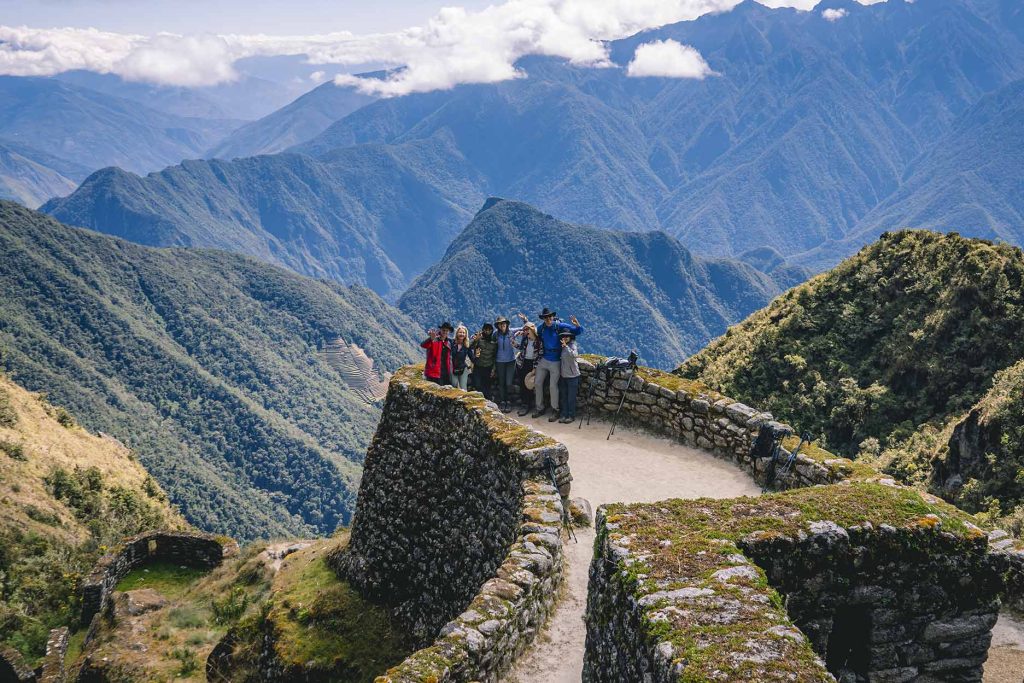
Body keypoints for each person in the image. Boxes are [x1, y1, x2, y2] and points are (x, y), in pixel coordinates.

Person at [527, 307, 583, 422]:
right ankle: (540, 408)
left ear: (552, 317)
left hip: (556, 360)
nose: (548, 319)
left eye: (549, 317)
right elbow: (533, 335)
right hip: (544, 359)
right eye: (546, 317)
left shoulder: (559, 326)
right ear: (543, 318)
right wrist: (524, 326)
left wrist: (577, 325)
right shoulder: (541, 328)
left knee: (553, 386)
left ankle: (555, 410)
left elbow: (577, 332)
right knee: (537, 383)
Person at [514, 322, 541, 417]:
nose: (525, 332)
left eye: (527, 330)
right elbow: (522, 349)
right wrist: (515, 345)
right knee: (523, 384)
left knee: (530, 385)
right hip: (523, 363)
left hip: (532, 364)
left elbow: (540, 355)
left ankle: (528, 405)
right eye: (524, 330)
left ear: (532, 330)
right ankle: (525, 404)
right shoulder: (525, 339)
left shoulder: (538, 341)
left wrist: (535, 367)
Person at [493, 316, 518, 412]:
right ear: (498, 325)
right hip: (499, 362)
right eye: (500, 323)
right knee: (501, 382)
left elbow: (525, 328)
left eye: (503, 323)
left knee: (508, 383)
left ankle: (509, 401)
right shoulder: (495, 334)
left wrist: (525, 320)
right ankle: (503, 401)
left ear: (507, 324)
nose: (502, 325)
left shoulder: (512, 332)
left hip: (510, 361)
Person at [558, 329, 581, 423]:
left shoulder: (573, 346)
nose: (565, 338)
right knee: (564, 397)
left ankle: (571, 416)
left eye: (567, 336)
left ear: (570, 337)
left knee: (571, 398)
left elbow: (574, 355)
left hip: (573, 376)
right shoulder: (562, 346)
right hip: (563, 375)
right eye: (563, 336)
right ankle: (564, 414)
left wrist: (566, 347)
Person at [470, 322, 497, 399]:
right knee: (477, 385)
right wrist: (476, 340)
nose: (487, 331)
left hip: (488, 367)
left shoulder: (494, 341)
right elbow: (469, 347)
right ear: (483, 330)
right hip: (478, 366)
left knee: (487, 386)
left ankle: (487, 403)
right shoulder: (479, 338)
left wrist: (493, 369)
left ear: (491, 330)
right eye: (486, 329)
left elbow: (495, 356)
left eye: (489, 330)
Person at [450, 325, 472, 391]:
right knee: (454, 385)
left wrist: (477, 356)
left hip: (463, 368)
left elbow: (472, 358)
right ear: (457, 333)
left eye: (463, 333)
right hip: (453, 367)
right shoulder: (451, 343)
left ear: (466, 334)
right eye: (460, 332)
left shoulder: (467, 345)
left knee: (463, 387)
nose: (462, 334)